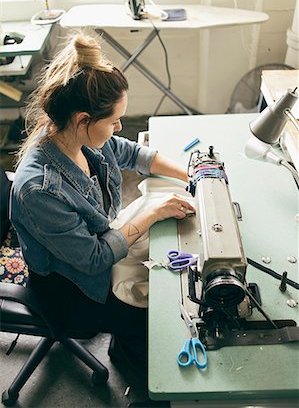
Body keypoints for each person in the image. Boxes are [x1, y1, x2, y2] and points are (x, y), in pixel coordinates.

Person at [10, 33, 194, 380]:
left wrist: (191, 172)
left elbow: (132, 153)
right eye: (113, 122)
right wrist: (153, 213)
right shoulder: (40, 189)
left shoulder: (74, 135)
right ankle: (131, 363)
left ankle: (125, 345)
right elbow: (94, 258)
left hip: (95, 249)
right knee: (166, 312)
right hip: (72, 292)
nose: (119, 128)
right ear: (83, 119)